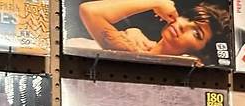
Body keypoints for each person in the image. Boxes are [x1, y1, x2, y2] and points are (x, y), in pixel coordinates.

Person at [74, 0, 231, 64]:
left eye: (197, 33)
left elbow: (90, 11)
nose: (183, 25)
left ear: (201, 56)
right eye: (188, 18)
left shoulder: (139, 54)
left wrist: (154, 2)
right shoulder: (139, 44)